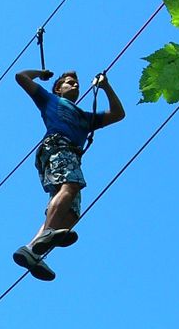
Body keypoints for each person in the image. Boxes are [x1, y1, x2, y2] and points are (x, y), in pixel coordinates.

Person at [13, 68, 125, 281]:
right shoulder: (50, 101)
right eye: (69, 82)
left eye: (76, 83)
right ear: (58, 88)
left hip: (71, 155)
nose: (75, 85)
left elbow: (118, 114)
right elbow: (21, 77)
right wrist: (41, 73)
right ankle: (46, 235)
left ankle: (32, 249)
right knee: (70, 186)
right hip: (57, 145)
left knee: (71, 214)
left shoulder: (85, 117)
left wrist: (105, 87)